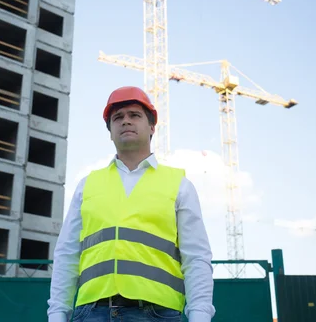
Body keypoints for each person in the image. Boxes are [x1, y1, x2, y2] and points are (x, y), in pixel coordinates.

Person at [47, 86, 215, 322]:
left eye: (134, 115)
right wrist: (57, 314)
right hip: (91, 313)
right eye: (118, 117)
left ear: (152, 127)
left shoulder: (179, 185)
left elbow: (196, 258)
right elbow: (67, 254)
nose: (125, 121)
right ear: (110, 132)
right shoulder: (87, 186)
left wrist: (200, 316)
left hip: (157, 314)